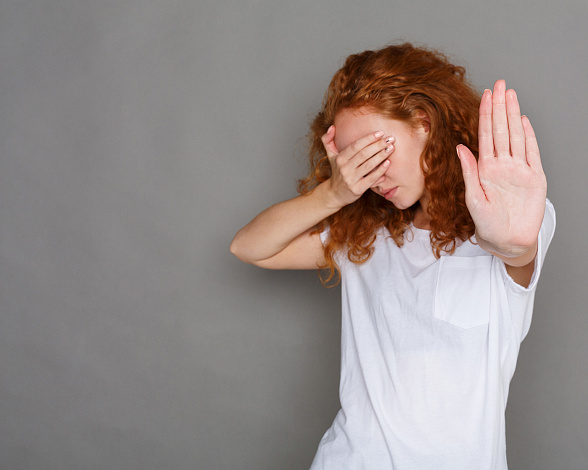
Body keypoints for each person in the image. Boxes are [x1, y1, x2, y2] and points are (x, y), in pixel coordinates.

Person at [230, 43, 555, 470]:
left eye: (376, 151)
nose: (369, 175)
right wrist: (333, 193)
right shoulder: (365, 234)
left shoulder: (511, 220)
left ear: (424, 123)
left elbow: (517, 252)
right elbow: (249, 247)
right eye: (354, 162)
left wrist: (512, 244)